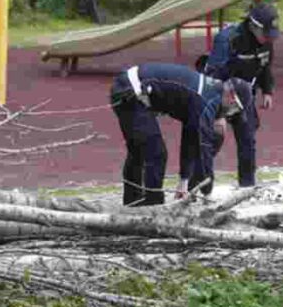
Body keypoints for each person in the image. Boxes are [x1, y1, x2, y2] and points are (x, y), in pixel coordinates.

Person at [109, 62, 254, 206]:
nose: (230, 115)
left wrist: (183, 181)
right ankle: (152, 206)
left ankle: (132, 203)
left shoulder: (210, 94)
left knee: (140, 149)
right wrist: (207, 192)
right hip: (130, 90)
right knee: (156, 153)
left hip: (129, 86)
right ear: (231, 97)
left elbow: (190, 138)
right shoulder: (206, 102)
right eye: (234, 109)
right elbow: (204, 149)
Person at [198, 2, 280, 189]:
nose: (269, 39)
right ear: (253, 26)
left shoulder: (267, 41)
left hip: (244, 96)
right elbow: (212, 76)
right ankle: (199, 182)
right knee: (214, 138)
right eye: (265, 34)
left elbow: (265, 66)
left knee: (247, 138)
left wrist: (267, 91)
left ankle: (247, 186)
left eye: (271, 35)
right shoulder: (228, 39)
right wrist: (219, 113)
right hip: (220, 92)